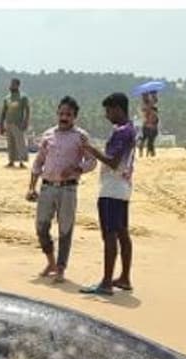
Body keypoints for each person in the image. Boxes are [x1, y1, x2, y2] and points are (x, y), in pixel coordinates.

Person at [25, 96, 97, 284]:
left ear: (75, 117)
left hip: (68, 189)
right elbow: (38, 162)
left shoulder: (81, 137)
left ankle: (61, 268)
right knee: (41, 227)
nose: (64, 117)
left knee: (65, 230)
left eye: (69, 115)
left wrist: (77, 169)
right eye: (62, 113)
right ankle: (51, 262)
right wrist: (31, 187)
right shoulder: (48, 135)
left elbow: (91, 161)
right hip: (47, 187)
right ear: (57, 113)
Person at [80, 92, 137, 296]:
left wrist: (92, 150)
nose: (107, 115)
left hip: (112, 189)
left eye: (108, 110)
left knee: (110, 234)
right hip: (123, 187)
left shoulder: (122, 132)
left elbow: (112, 162)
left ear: (117, 109)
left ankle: (106, 282)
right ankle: (124, 277)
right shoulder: (129, 129)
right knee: (122, 232)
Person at [0, 78, 30, 169]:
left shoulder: (23, 97)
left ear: (17, 85)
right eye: (10, 84)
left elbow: (27, 110)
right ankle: (11, 161)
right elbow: (3, 112)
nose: (11, 86)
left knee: (20, 143)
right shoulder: (7, 98)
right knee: (10, 143)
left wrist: (26, 122)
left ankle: (21, 162)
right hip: (8, 123)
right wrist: (1, 124)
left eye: (13, 84)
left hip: (18, 123)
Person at [140, 91, 159, 158]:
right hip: (150, 126)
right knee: (149, 141)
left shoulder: (145, 105)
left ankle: (146, 153)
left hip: (147, 125)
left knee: (145, 140)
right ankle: (150, 153)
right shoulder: (149, 106)